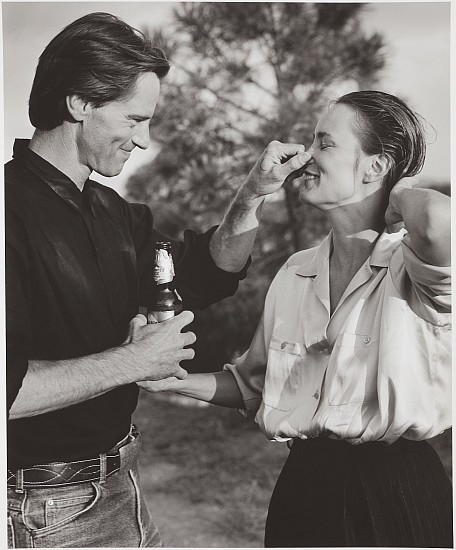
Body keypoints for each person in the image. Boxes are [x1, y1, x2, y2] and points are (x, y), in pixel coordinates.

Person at [5, 12, 311, 548]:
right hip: (39, 509)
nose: (144, 141)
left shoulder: (114, 212)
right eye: (133, 119)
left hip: (123, 481)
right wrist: (134, 362)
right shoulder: (8, 214)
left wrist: (252, 196)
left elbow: (204, 274)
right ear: (79, 103)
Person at [141, 90, 452, 547]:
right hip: (304, 489)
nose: (307, 155)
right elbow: (254, 386)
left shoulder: (417, 270)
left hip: (397, 493)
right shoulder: (295, 272)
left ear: (375, 166)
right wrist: (172, 382)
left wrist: (399, 189)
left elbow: (439, 221)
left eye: (325, 143)